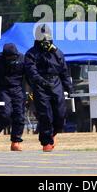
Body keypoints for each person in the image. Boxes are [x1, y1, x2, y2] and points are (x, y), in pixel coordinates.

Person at [24, 24, 73, 152]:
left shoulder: (57, 53)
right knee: (45, 115)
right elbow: (31, 71)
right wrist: (41, 81)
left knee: (60, 116)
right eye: (42, 37)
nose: (45, 39)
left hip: (56, 84)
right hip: (40, 87)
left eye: (47, 36)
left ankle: (51, 135)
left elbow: (64, 71)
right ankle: (46, 142)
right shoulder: (31, 54)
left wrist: (69, 87)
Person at [0, 43, 26, 151]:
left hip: (18, 89)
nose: (12, 59)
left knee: (19, 115)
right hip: (3, 89)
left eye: (14, 57)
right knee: (6, 113)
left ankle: (15, 141)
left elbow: (30, 74)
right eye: (10, 58)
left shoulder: (23, 59)